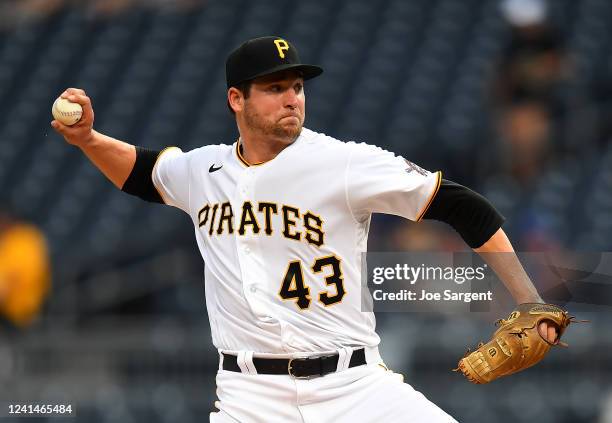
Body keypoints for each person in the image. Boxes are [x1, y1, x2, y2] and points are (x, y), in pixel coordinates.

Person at [51, 36, 561, 422]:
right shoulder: (201, 171)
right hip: (248, 397)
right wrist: (89, 138)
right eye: (274, 89)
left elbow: (464, 207)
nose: (292, 98)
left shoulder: (343, 163)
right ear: (237, 99)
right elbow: (143, 172)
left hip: (354, 388)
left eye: (296, 87)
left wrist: (530, 301)